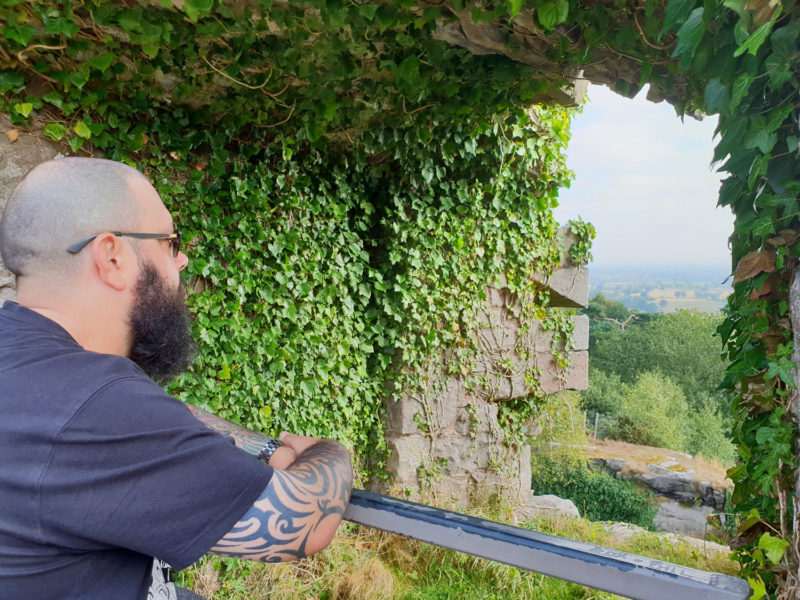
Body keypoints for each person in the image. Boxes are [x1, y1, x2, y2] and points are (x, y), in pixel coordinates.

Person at [0, 157, 354, 600]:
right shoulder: (95, 402)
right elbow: (303, 523)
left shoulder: (30, 363)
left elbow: (166, 418)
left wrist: (264, 448)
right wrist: (328, 452)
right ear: (112, 256)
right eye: (170, 242)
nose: (182, 259)